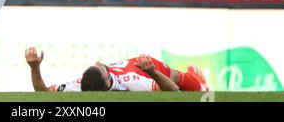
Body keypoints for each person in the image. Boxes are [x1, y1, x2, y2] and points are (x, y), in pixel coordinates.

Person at [25, 47, 209, 92]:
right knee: (175, 77)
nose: (99, 62)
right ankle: (200, 85)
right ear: (108, 81)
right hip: (142, 67)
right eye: (102, 68)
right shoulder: (132, 81)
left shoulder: (80, 85)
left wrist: (35, 68)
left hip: (129, 64)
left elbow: (42, 92)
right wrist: (152, 71)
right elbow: (172, 90)